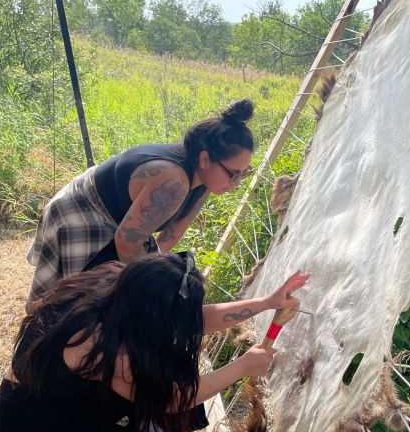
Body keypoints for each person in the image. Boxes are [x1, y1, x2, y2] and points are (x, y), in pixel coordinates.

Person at [0, 252, 309, 432]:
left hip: (65, 413)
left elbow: (191, 320)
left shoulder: (123, 288)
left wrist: (268, 302)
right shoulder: (104, 348)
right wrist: (243, 366)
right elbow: (173, 399)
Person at [26, 99, 257, 309]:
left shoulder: (206, 181)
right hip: (85, 209)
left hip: (120, 221)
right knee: (67, 299)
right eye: (232, 174)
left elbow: (170, 235)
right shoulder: (172, 180)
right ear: (205, 159)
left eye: (243, 174)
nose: (236, 183)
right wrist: (142, 294)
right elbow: (127, 242)